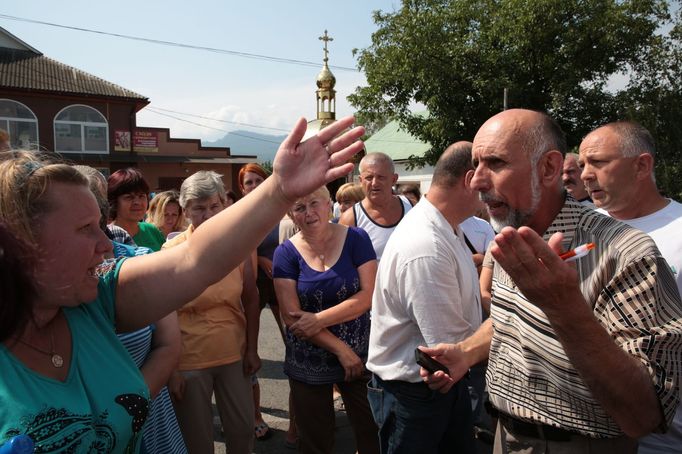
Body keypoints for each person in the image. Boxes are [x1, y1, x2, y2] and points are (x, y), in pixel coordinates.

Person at [0, 115, 365, 451]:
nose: (105, 245)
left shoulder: (96, 296)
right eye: (84, 230)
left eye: (100, 226)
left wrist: (279, 189)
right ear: (18, 241)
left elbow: (195, 260)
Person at [420, 109, 682, 454]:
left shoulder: (625, 252)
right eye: (476, 164)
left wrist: (563, 306)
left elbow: (645, 415)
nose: (476, 181)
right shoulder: (510, 234)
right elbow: (507, 318)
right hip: (503, 436)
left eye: (496, 163)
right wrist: (464, 354)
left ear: (548, 168)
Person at [366, 142, 481, 454]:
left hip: (437, 387)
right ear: (470, 180)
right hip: (416, 396)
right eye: (488, 183)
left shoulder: (445, 228)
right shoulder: (426, 245)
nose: (493, 193)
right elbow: (448, 345)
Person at [579, 121, 682, 453]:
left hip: (665, 437)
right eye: (582, 165)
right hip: (591, 432)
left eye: (598, 162)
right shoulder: (580, 231)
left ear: (642, 165)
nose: (585, 175)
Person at [76, 165, 186, 454]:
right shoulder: (47, 280)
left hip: (151, 413)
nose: (102, 241)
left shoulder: (132, 256)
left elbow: (169, 342)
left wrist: (125, 410)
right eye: (80, 225)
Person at [273, 185, 379, 454]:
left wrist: (318, 319)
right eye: (299, 207)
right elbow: (292, 317)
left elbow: (368, 295)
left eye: (314, 203)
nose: (308, 213)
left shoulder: (356, 238)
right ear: (291, 213)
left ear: (328, 202)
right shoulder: (285, 253)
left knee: (372, 430)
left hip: (361, 354)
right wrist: (341, 349)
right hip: (309, 360)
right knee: (315, 440)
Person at [163, 171, 260, 454]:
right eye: (199, 208)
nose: (208, 214)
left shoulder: (238, 247)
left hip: (234, 354)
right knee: (198, 441)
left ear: (224, 205)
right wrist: (171, 370)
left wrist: (252, 348)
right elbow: (164, 311)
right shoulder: (170, 251)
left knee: (242, 432)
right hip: (189, 360)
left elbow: (251, 299)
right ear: (185, 211)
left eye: (214, 206)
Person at [237, 162, 286, 441]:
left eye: (258, 181)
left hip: (280, 281)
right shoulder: (239, 213)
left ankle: (302, 411)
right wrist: (262, 258)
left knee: (292, 340)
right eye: (248, 183)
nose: (254, 187)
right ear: (242, 189)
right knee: (248, 350)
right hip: (250, 284)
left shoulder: (280, 209)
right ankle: (254, 414)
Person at [339, 152, 412, 260]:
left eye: (381, 177)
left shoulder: (411, 207)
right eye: (369, 178)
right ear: (360, 181)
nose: (374, 183)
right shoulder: (350, 219)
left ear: (394, 179)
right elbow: (343, 264)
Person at [107, 168, 165, 251]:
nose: (137, 202)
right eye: (129, 197)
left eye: (141, 196)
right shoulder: (107, 236)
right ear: (114, 201)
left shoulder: (152, 230)